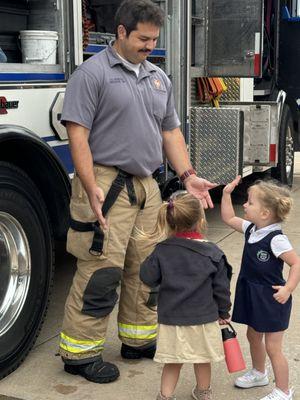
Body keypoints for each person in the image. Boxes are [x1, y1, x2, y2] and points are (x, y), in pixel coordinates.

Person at [59, 0, 217, 384]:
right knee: (101, 270)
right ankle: (80, 354)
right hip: (106, 184)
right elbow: (77, 133)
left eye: (155, 39)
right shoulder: (91, 74)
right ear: (121, 32)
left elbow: (170, 132)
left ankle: (137, 340)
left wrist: (188, 174)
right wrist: (89, 185)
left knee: (146, 269)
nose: (150, 46)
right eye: (143, 38)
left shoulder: (158, 78)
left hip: (147, 186)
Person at [140, 192, 232, 400]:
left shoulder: (162, 250)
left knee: (172, 361)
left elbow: (147, 277)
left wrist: (154, 251)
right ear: (200, 220)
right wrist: (223, 311)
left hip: (172, 319)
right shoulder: (213, 252)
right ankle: (203, 393)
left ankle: (165, 396)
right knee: (202, 359)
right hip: (204, 318)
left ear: (170, 220)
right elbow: (221, 288)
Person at [221, 177, 300, 400]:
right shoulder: (252, 229)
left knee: (273, 347)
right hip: (251, 293)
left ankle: (284, 391)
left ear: (265, 213)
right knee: (253, 336)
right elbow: (228, 217)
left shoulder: (276, 239)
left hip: (272, 298)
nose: (244, 205)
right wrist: (226, 194)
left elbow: (296, 263)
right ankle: (259, 373)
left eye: (249, 202)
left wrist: (288, 289)